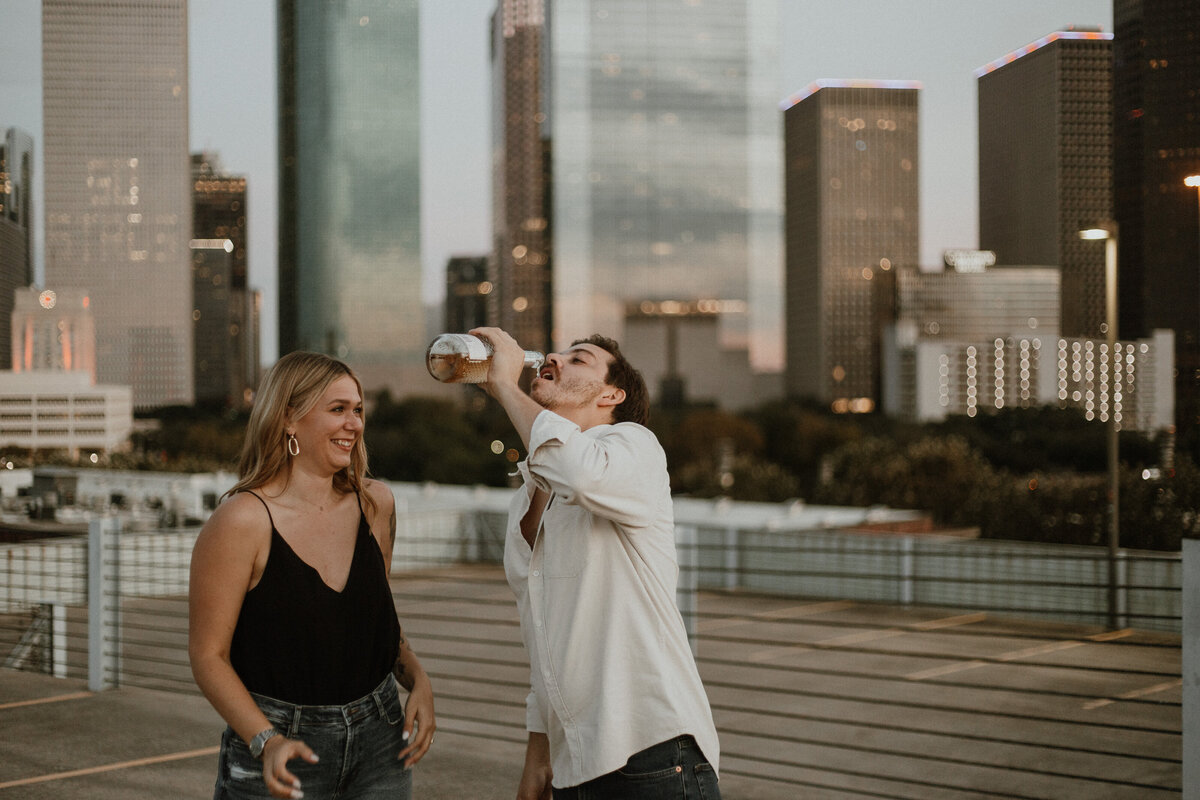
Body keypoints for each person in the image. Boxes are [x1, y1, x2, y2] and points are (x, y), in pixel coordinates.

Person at [470, 327, 722, 800]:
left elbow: (581, 473)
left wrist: (505, 384)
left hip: (654, 756)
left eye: (578, 358)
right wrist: (538, 757)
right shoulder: (528, 499)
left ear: (612, 393)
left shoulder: (634, 447)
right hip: (574, 768)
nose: (555, 357)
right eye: (558, 353)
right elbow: (544, 638)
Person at [189, 351, 435, 800]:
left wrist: (418, 680)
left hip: (382, 739)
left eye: (357, 410)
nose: (354, 424)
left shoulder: (375, 504)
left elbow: (378, 622)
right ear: (288, 418)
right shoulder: (242, 520)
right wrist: (267, 740)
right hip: (282, 744)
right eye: (337, 409)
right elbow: (208, 656)